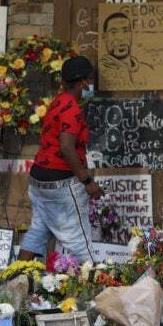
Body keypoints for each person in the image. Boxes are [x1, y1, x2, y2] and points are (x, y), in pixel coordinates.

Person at [17, 56, 104, 265]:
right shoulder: (72, 109)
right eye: (90, 79)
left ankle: (15, 280)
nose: (91, 85)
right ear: (83, 81)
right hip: (61, 182)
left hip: (39, 179)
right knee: (80, 240)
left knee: (38, 230)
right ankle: (99, 290)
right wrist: (87, 181)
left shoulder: (57, 103)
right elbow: (66, 148)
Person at [99, 12, 154, 87]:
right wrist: (85, 98)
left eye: (126, 31)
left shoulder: (147, 71)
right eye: (113, 32)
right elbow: (86, 94)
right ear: (104, 37)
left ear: (131, 34)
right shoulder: (97, 71)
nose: (120, 38)